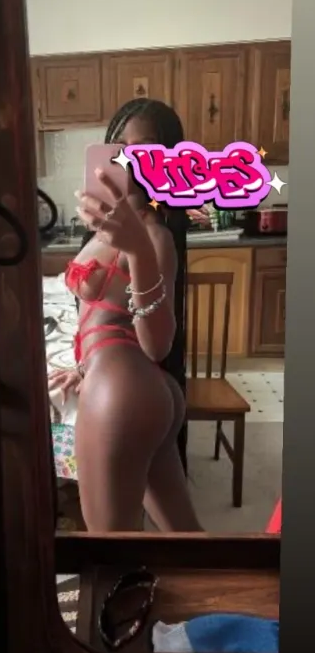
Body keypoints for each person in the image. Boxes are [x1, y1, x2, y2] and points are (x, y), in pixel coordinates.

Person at [48, 98, 204, 533]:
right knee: (185, 535)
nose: (130, 157)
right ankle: (219, 580)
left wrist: (137, 250)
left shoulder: (153, 236)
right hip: (125, 383)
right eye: (120, 145)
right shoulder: (107, 229)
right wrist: (86, 367)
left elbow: (156, 345)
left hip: (122, 391)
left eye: (146, 148)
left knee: (110, 548)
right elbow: (105, 317)